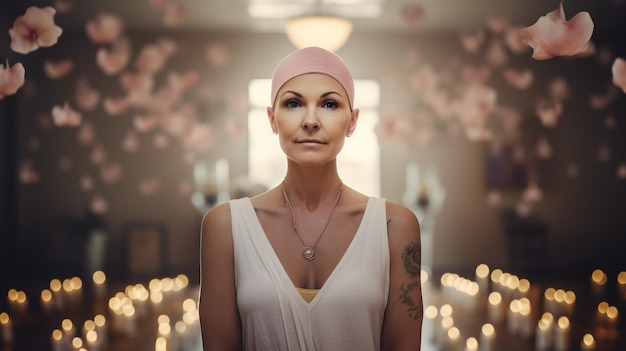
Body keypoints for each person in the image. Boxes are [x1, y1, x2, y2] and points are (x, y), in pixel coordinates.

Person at [199, 46, 423, 350]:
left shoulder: (395, 226)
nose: (311, 120)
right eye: (293, 103)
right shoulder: (224, 226)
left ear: (353, 121)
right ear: (272, 119)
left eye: (330, 104)